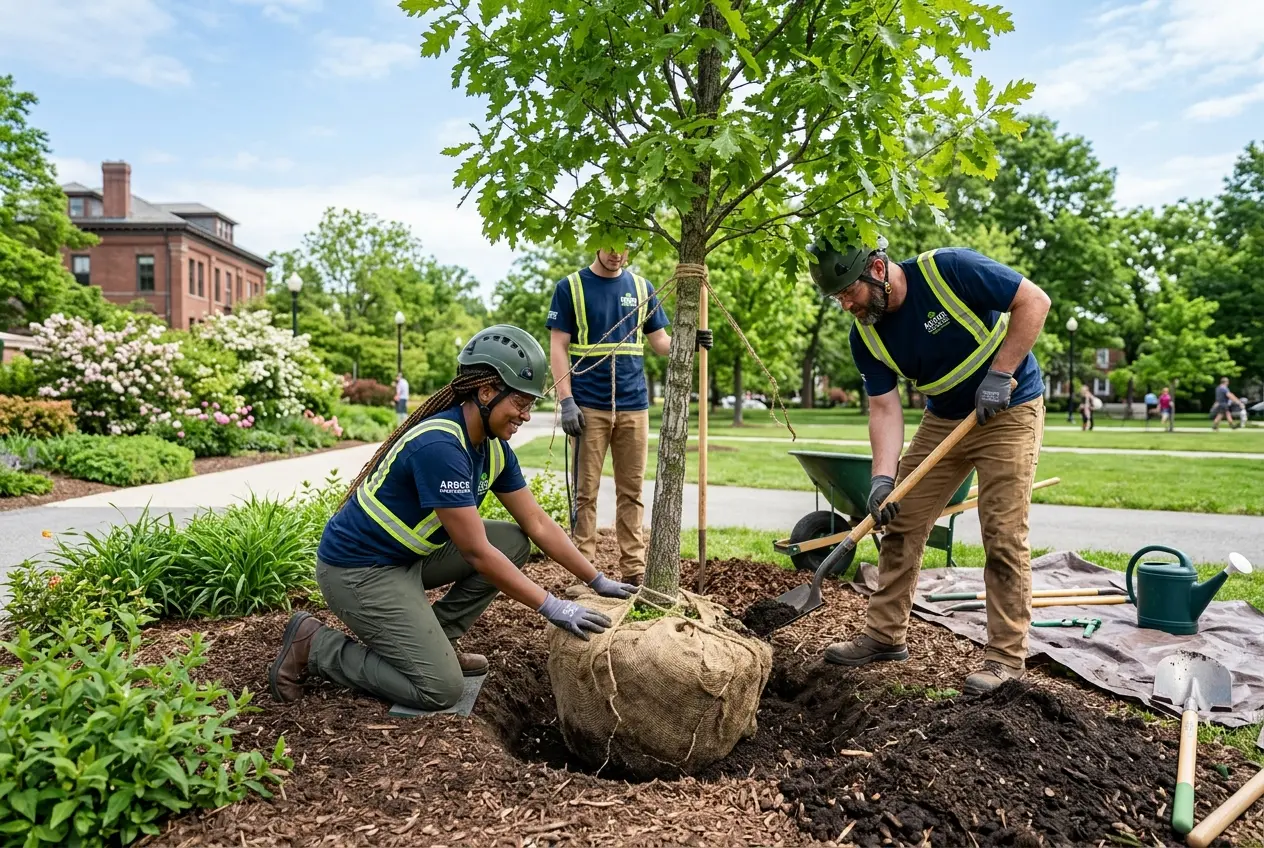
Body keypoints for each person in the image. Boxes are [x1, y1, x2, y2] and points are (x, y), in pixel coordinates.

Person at [267, 325, 636, 711]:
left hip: (404, 559)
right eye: (521, 403)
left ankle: (437, 640)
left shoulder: (492, 449)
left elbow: (537, 523)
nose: (526, 415)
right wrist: (552, 606)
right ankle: (315, 645)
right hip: (359, 572)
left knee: (512, 542)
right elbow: (476, 553)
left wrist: (596, 579)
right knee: (439, 689)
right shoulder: (441, 446)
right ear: (486, 392)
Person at [808, 237, 1051, 694]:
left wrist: (1001, 375)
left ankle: (1005, 659)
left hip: (1010, 410)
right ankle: (884, 634)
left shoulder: (949, 271)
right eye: (836, 298)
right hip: (944, 419)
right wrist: (883, 480)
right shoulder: (865, 335)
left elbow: (1033, 301)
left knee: (1002, 533)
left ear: (877, 270)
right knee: (900, 516)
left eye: (848, 292)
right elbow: (883, 408)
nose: (846, 305)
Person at [547, 247, 713, 586]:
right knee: (585, 492)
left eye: (624, 249)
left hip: (633, 406)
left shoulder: (642, 288)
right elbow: (558, 346)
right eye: (610, 247)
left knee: (632, 491)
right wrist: (566, 401)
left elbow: (660, 342)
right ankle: (584, 571)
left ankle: (634, 571)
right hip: (588, 406)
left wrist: (690, 340)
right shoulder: (571, 287)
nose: (617, 255)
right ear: (597, 243)